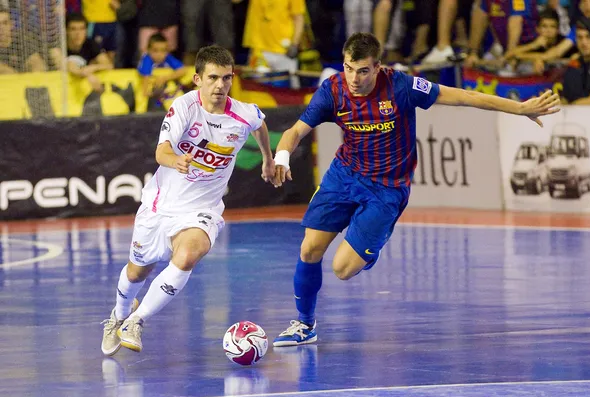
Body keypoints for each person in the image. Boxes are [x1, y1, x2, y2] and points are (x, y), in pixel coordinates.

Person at [270, 32, 560, 347]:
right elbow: (295, 130)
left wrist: (519, 109)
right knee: (309, 249)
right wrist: (282, 157)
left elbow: (465, 96)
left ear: (377, 67)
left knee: (342, 269)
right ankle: (304, 324)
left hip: (386, 189)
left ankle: (370, 240)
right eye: (349, 68)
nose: (354, 78)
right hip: (344, 177)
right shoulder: (333, 90)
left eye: (363, 70)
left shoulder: (402, 87)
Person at [101, 45, 276, 355]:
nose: (220, 85)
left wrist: (267, 158)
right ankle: (118, 316)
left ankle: (136, 321)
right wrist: (176, 161)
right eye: (213, 78)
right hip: (161, 203)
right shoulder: (183, 107)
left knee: (188, 255)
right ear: (197, 79)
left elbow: (260, 123)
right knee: (137, 271)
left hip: (202, 209)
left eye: (227, 78)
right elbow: (161, 151)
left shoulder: (242, 113)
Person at [137, 33, 187, 98]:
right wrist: (146, 93)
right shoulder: (147, 59)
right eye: (155, 50)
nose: (159, 54)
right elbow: (145, 78)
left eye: (163, 50)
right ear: (148, 50)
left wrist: (164, 78)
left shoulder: (167, 57)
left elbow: (183, 70)